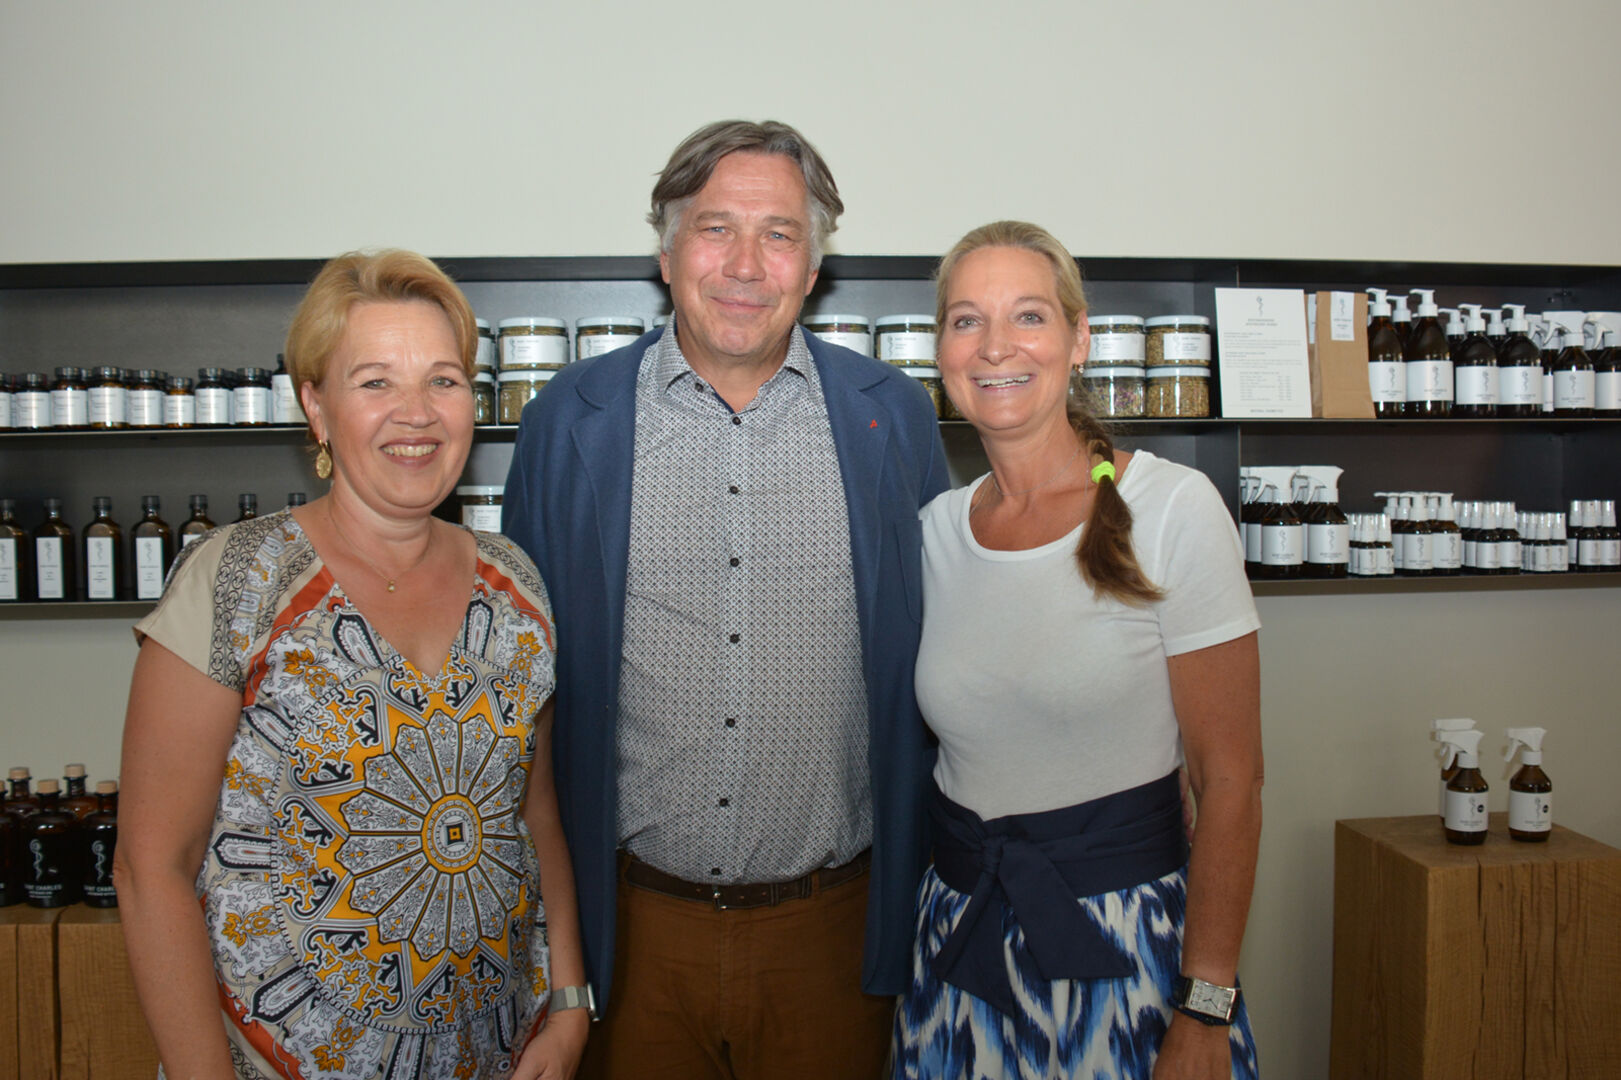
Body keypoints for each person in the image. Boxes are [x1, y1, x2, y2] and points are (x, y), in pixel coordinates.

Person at [502, 119, 949, 1078]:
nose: (745, 263)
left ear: (813, 265)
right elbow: (521, 690)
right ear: (666, 252)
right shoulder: (565, 423)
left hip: (834, 938)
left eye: (779, 234)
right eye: (715, 229)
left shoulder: (892, 417)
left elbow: (948, 652)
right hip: (632, 937)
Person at [115, 249, 589, 1080]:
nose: (417, 413)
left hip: (496, 1057)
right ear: (316, 405)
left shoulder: (515, 583)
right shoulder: (239, 580)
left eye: (443, 381)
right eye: (375, 382)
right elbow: (150, 867)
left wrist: (570, 1005)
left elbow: (534, 819)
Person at [892, 221, 1263, 1080]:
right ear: (941, 349)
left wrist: (1206, 1006)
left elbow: (1232, 779)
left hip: (1128, 951)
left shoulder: (1171, 508)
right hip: (961, 950)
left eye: (1026, 316)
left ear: (1077, 337)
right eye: (964, 321)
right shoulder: (934, 533)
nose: (994, 348)